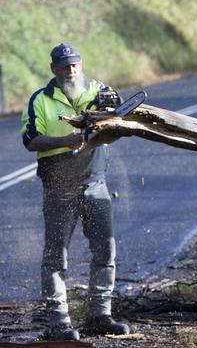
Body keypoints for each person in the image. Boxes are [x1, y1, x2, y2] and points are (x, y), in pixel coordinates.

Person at [20, 43, 129, 341]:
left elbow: (118, 125)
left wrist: (113, 111)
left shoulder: (96, 90)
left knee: (105, 249)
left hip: (96, 182)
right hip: (58, 188)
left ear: (82, 65)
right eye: (65, 66)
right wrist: (64, 141)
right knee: (57, 256)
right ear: (54, 69)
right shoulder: (40, 100)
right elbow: (31, 140)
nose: (71, 70)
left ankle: (100, 315)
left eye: (75, 64)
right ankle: (58, 323)